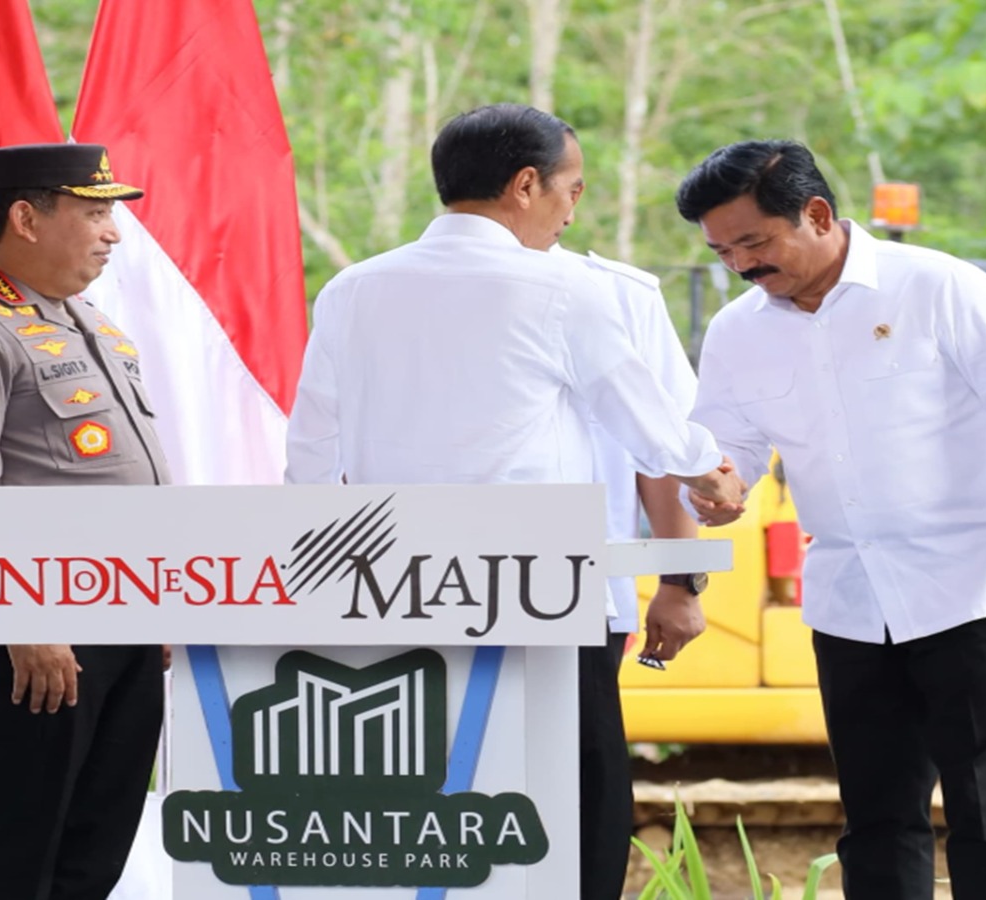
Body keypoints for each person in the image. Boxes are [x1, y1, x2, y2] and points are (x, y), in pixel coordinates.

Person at [284, 103, 746, 898]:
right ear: (525, 185)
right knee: (571, 812)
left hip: (396, 595)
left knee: (433, 811)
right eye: (571, 187)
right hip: (539, 592)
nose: (574, 207)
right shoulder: (563, 290)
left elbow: (311, 455)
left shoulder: (352, 291)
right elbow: (653, 429)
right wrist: (712, 475)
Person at [675, 139, 986, 900]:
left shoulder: (941, 288)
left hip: (978, 592)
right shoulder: (738, 331)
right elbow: (731, 447)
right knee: (875, 822)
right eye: (722, 251)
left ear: (816, 213)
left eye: (754, 243)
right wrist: (719, 488)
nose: (740, 265)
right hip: (850, 604)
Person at [0, 143, 167, 900]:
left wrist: (162, 601)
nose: (113, 231)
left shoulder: (91, 323)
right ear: (26, 217)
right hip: (37, 631)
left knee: (95, 842)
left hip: (125, 615)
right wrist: (23, 616)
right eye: (95, 211)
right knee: (16, 846)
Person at [554, 245, 706, 900]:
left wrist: (680, 580)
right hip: (417, 593)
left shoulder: (616, 295)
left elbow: (666, 449)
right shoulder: (382, 290)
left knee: (583, 781)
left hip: (572, 595)